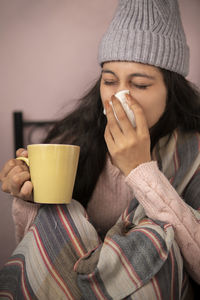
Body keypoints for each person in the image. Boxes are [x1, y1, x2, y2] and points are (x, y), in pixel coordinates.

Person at [0, 0, 200, 299]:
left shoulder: (194, 151)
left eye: (141, 84)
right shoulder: (75, 140)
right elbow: (41, 247)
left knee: (152, 235)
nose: (119, 96)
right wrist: (28, 197)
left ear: (171, 92)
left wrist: (140, 170)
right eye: (109, 81)